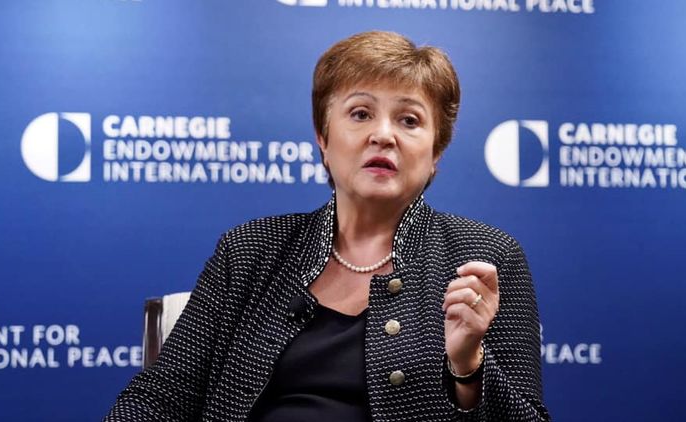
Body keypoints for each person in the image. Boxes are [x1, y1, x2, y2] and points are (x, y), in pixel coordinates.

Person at [105, 31, 550, 422]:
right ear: (323, 138)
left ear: (435, 152)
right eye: (360, 114)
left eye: (409, 120)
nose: (383, 135)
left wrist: (469, 366)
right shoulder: (248, 251)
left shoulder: (484, 258)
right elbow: (157, 400)